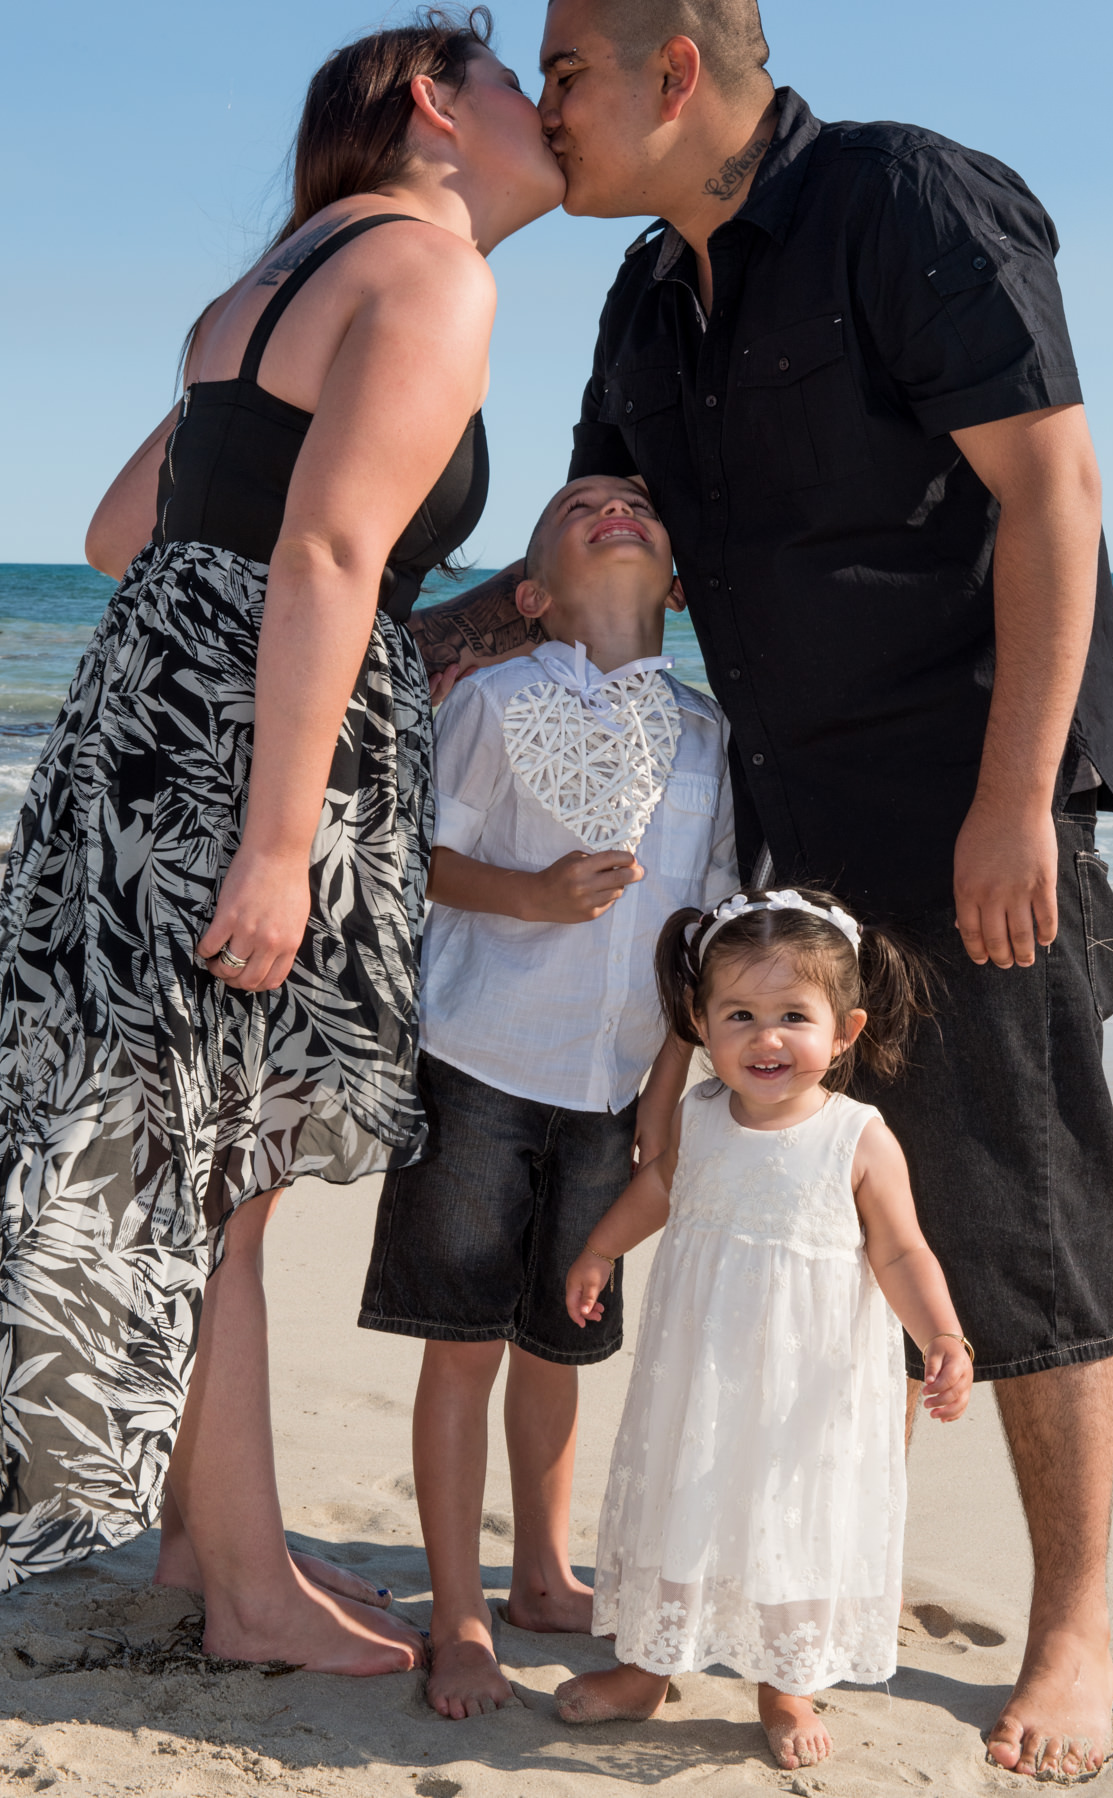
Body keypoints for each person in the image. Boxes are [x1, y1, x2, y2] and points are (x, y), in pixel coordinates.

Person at [408, 0, 1113, 1778]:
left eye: (565, 72)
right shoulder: (651, 296)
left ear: (676, 71)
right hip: (777, 827)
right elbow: (590, 536)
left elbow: (1052, 488)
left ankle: (1072, 1623)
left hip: (966, 800)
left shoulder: (907, 202)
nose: (548, 108)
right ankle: (764, 1608)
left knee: (1015, 1210)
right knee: (789, 1241)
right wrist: (364, 652)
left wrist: (1011, 799)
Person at [0, 11, 565, 1674]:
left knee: (193, 1158)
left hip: (137, 726)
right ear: (428, 107)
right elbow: (323, 550)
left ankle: (210, 1536)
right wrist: (278, 836)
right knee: (226, 1171)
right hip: (247, 764)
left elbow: (126, 534)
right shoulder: (431, 270)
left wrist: (417, 630)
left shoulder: (262, 283)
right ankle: (245, 1591)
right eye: (516, 83)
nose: (546, 110)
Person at [357, 472, 737, 1717]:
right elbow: (421, 856)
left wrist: (669, 1093)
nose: (616, 502)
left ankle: (543, 1572)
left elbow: (711, 940)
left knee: (561, 1336)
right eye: (580, 506)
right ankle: (460, 1610)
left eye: (636, 499)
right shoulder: (498, 700)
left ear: (676, 584)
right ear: (531, 594)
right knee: (464, 1341)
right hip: (480, 1061)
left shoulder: (706, 736)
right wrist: (527, 895)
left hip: (614, 1084)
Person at [554, 887, 972, 1770]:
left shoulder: (858, 1137)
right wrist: (599, 1250)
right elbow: (660, 1189)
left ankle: (784, 1683)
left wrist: (944, 1337)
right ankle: (645, 1668)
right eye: (739, 1014)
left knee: (791, 1513)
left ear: (845, 1031)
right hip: (700, 1367)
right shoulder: (700, 1118)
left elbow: (901, 1253)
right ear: (702, 1025)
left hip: (804, 1387)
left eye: (794, 1016)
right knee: (682, 1495)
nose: (766, 1037)